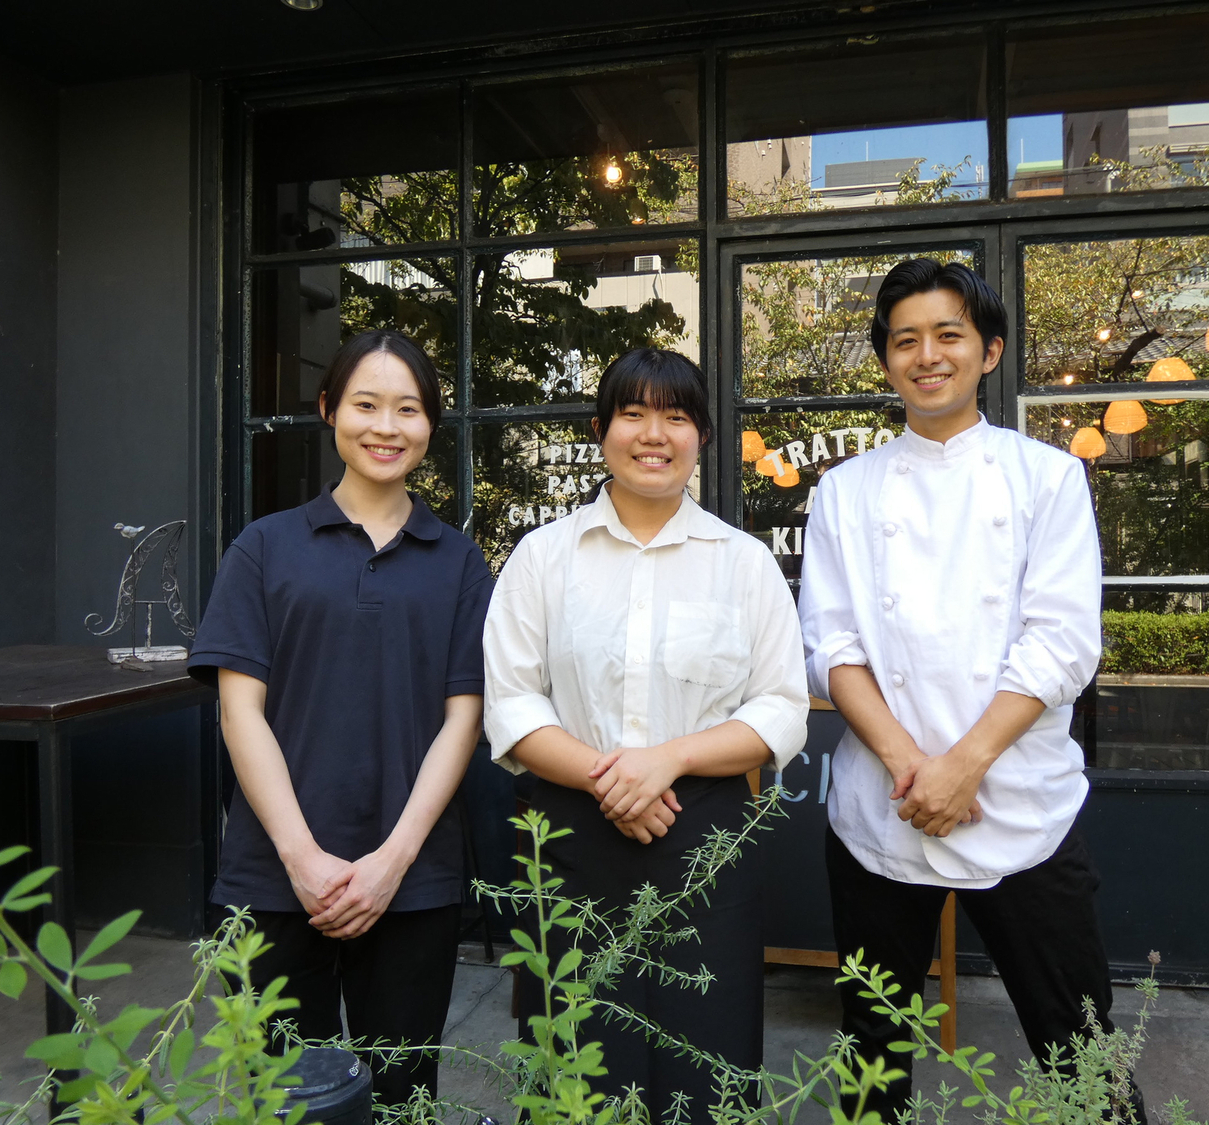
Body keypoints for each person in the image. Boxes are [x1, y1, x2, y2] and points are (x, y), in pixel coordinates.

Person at [798, 259, 1144, 1120]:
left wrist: (966, 765)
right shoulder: (844, 490)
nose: (927, 355)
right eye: (905, 339)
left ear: (988, 351)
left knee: (1081, 1044)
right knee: (872, 1054)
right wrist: (913, 763)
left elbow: (1061, 642)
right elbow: (831, 644)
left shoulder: (1047, 477)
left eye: (948, 334)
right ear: (885, 359)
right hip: (886, 805)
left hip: (1019, 802)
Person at [482, 347, 809, 1120]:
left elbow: (781, 708)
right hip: (568, 836)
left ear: (701, 436)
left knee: (708, 1059)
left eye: (676, 415)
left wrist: (669, 759)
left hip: (705, 839)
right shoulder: (543, 558)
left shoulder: (743, 562)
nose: (652, 432)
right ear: (602, 431)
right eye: (633, 412)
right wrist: (611, 778)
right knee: (574, 1061)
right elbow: (514, 703)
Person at [188, 329, 493, 1106]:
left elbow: (465, 718)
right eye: (366, 404)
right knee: (279, 1097)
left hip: (414, 879)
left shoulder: (460, 561)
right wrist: (302, 857)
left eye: (408, 408)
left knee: (402, 1095)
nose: (386, 427)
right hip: (274, 874)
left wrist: (390, 861)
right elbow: (239, 709)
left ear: (431, 424)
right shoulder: (263, 547)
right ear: (329, 411)